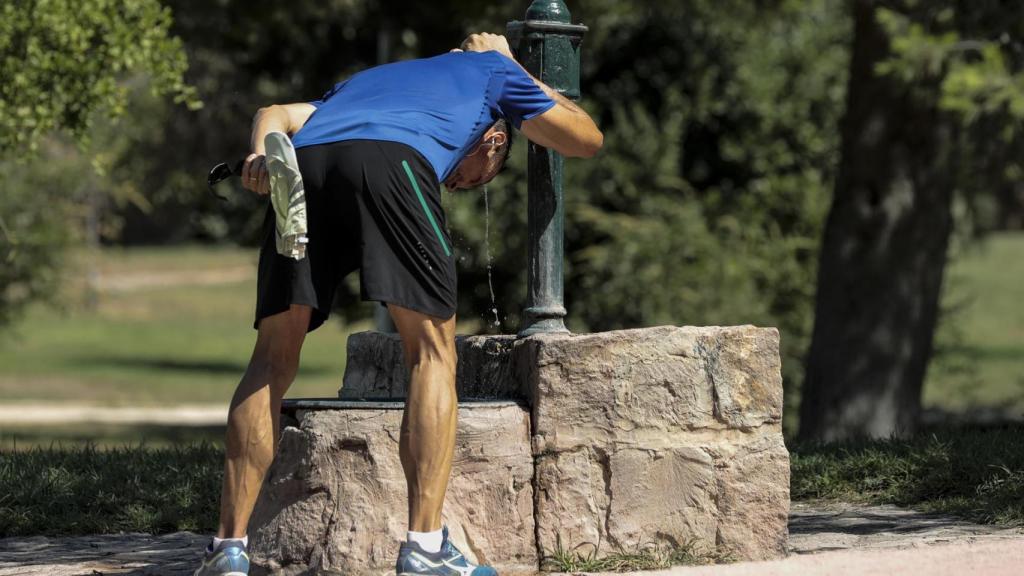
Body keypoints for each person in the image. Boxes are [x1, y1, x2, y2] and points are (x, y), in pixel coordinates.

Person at [193, 32, 602, 576]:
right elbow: (585, 138)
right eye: (473, 179)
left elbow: (275, 112)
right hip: (394, 162)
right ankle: (427, 549)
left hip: (307, 164)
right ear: (494, 143)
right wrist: (509, 64)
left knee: (271, 360)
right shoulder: (493, 75)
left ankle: (227, 551)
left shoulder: (364, 81)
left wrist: (261, 150)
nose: (458, 184)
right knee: (432, 355)